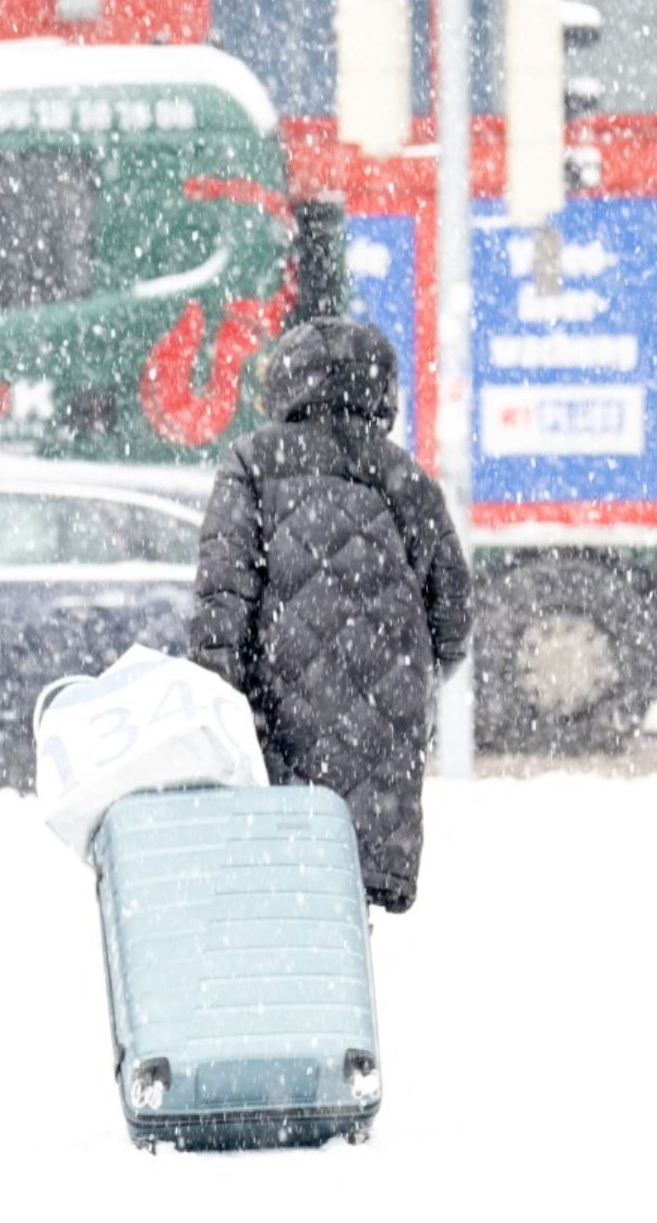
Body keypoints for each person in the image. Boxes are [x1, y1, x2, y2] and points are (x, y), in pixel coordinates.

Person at [190, 317, 471, 913]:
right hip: (381, 745)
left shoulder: (252, 463)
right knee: (347, 910)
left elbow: (221, 607)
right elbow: (454, 620)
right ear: (380, 392)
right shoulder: (406, 480)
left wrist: (228, 712)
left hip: (276, 730)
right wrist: (404, 681)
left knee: (279, 908)